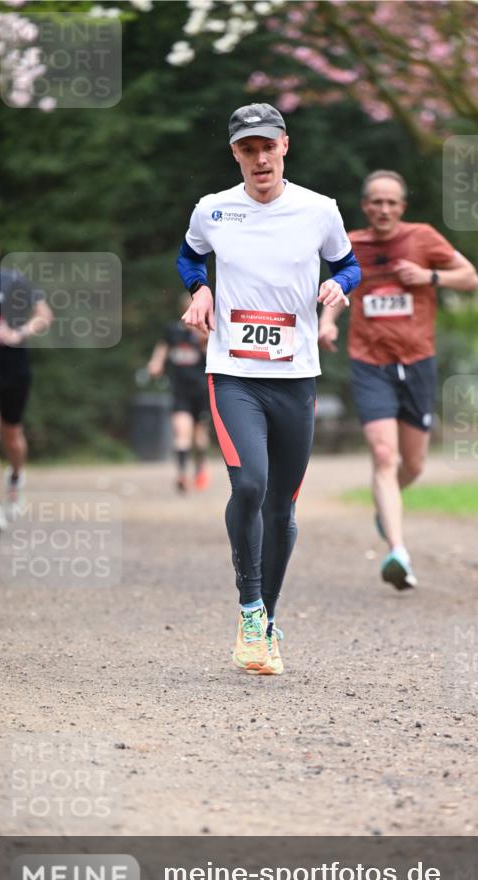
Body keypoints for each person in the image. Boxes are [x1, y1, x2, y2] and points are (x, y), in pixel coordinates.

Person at [177, 103, 360, 675]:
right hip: (233, 372)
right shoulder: (213, 211)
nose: (258, 158)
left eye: (267, 146)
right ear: (235, 153)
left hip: (296, 374)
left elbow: (350, 265)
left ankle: (267, 623)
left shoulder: (319, 209)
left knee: (281, 507)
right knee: (250, 483)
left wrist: (337, 285)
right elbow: (189, 257)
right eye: (246, 149)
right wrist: (200, 289)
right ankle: (249, 607)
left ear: (285, 145)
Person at [318, 170, 478, 590]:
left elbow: (471, 276)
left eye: (392, 202)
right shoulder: (351, 243)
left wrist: (429, 277)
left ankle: (384, 509)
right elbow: (339, 288)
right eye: (376, 201)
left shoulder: (424, 238)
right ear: (365, 205)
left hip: (418, 363)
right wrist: (328, 322)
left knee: (413, 464)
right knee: (384, 456)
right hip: (370, 362)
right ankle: (398, 551)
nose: (384, 209)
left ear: (402, 207)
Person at [0, 227, 52, 533]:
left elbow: (44, 315)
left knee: (12, 437)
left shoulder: (13, 282)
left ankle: (16, 476)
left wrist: (20, 333)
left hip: (14, 371)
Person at [147, 293, 212, 492]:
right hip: (180, 391)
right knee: (181, 431)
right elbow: (163, 347)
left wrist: (203, 341)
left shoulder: (207, 331)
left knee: (199, 435)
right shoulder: (173, 331)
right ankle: (182, 474)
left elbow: (214, 358)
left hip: (202, 391)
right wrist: (156, 362)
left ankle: (200, 468)